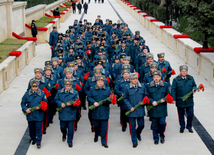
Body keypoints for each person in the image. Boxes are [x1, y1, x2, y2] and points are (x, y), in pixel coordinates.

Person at [21, 80, 48, 149]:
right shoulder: (27, 94)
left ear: (38, 86)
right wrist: (26, 109)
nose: (34, 88)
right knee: (31, 129)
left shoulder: (42, 94)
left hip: (39, 115)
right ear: (31, 86)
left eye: (36, 86)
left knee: (39, 129)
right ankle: (33, 138)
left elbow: (45, 102)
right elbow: (23, 103)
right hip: (30, 115)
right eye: (33, 86)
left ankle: (38, 142)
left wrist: (41, 107)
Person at [87, 75, 112, 148]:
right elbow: (88, 97)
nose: (100, 83)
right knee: (96, 126)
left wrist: (107, 101)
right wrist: (94, 102)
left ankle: (104, 142)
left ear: (104, 82)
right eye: (99, 81)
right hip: (96, 111)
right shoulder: (92, 89)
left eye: (102, 81)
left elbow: (111, 99)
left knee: (104, 128)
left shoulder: (107, 89)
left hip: (104, 111)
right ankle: (96, 135)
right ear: (96, 82)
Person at [123, 73, 147, 148]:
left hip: (140, 109)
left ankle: (138, 133)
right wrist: (130, 107)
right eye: (133, 79)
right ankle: (134, 141)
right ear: (130, 80)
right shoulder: (127, 88)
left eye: (136, 79)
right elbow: (125, 98)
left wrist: (144, 101)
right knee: (132, 127)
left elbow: (145, 95)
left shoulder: (142, 86)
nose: (135, 80)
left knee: (141, 125)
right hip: (132, 110)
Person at [146, 70, 170, 145]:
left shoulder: (165, 85)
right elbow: (147, 96)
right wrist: (151, 101)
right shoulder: (149, 85)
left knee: (162, 123)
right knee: (154, 124)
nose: (156, 78)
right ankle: (155, 138)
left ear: (160, 77)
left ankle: (162, 135)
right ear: (152, 78)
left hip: (162, 108)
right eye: (154, 77)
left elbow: (169, 95)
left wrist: (165, 99)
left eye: (157, 77)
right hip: (154, 109)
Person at [171, 65, 196, 133]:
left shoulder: (191, 78)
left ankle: (189, 126)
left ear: (187, 71)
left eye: (185, 71)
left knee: (190, 114)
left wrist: (194, 88)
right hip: (180, 100)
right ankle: (182, 127)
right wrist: (174, 99)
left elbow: (194, 85)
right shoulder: (176, 80)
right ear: (180, 72)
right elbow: (173, 90)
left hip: (189, 100)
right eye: (182, 71)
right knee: (181, 114)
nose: (184, 72)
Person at [55, 79, 80, 148]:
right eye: (67, 86)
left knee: (71, 129)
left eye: (69, 86)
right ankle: (64, 133)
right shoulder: (60, 92)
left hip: (71, 113)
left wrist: (71, 104)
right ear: (64, 85)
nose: (68, 87)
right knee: (62, 127)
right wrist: (60, 104)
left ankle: (70, 141)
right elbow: (56, 99)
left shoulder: (75, 93)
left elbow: (77, 102)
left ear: (71, 86)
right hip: (63, 112)